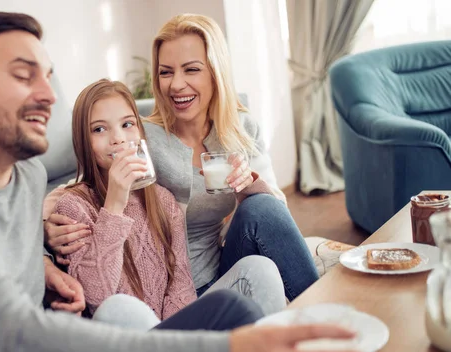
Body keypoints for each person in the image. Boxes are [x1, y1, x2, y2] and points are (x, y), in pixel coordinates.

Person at [0, 11, 365, 352]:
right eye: (23, 74)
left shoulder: (26, 175)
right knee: (154, 317)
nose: (48, 94)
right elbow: (14, 342)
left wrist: (42, 260)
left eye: (48, 76)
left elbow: (7, 241)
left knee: (233, 302)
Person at [44, 14, 319, 302]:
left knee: (261, 206)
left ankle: (320, 309)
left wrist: (248, 184)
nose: (176, 85)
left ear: (215, 71)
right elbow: (87, 181)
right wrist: (44, 231)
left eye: (191, 69)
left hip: (223, 265)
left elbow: (275, 214)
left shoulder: (241, 128)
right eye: (165, 72)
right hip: (164, 287)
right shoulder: (143, 134)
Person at [53, 78, 285, 327]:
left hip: (174, 335)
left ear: (140, 133)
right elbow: (97, 299)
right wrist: (114, 207)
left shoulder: (163, 200)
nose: (118, 138)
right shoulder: (73, 207)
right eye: (99, 129)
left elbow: (181, 287)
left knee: (259, 268)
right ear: (82, 141)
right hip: (128, 341)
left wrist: (178, 339)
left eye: (127, 124)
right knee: (118, 308)